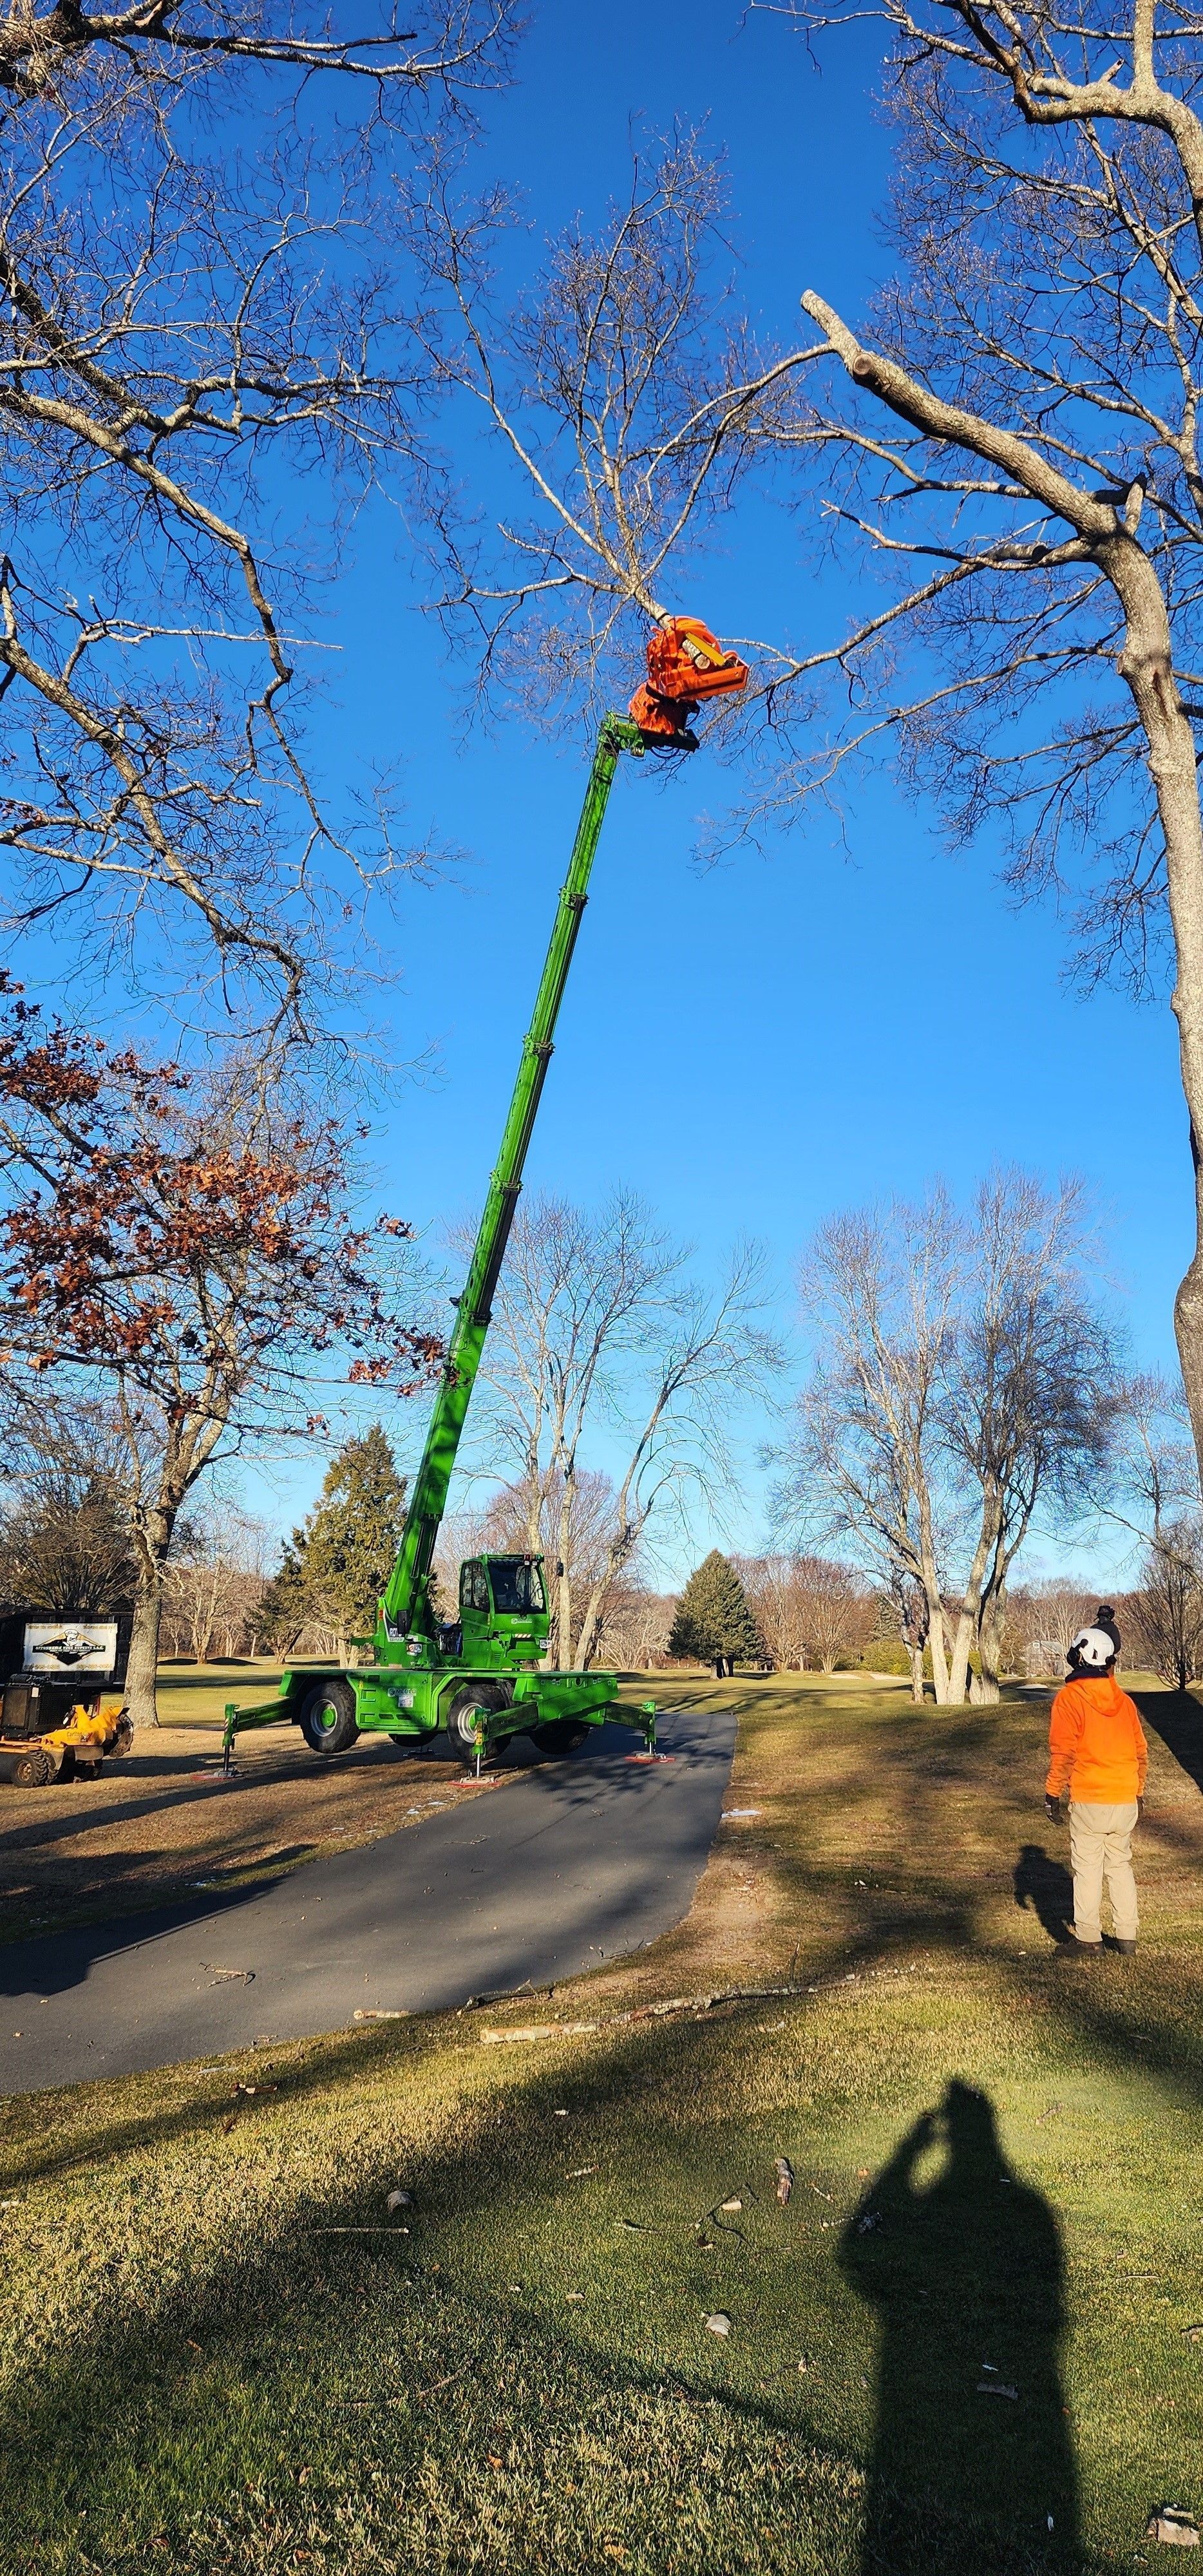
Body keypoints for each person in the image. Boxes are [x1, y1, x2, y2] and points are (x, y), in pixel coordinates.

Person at [1045, 1617, 1147, 1955]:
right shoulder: (1124, 1702)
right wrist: (1139, 1791)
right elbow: (1140, 1750)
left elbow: (1064, 1752)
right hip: (1124, 1799)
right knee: (1119, 1865)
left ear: (1083, 1657)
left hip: (1091, 1799)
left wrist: (1052, 1793)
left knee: (1088, 1868)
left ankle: (1089, 1939)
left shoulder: (1069, 1699)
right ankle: (1127, 1936)